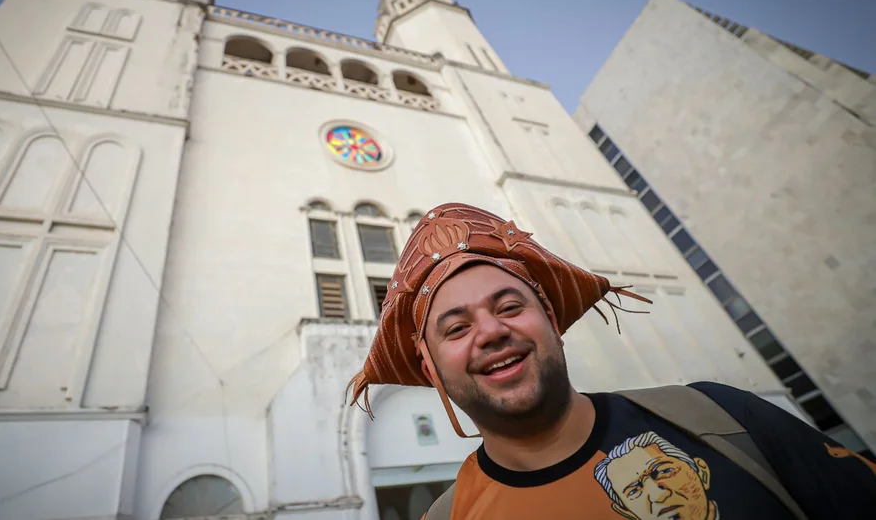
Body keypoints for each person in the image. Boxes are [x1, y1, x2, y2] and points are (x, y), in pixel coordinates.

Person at [347, 202, 876, 519]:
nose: (491, 331)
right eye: (457, 328)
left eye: (510, 306)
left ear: (551, 318)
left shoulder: (722, 419)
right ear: (429, 365)